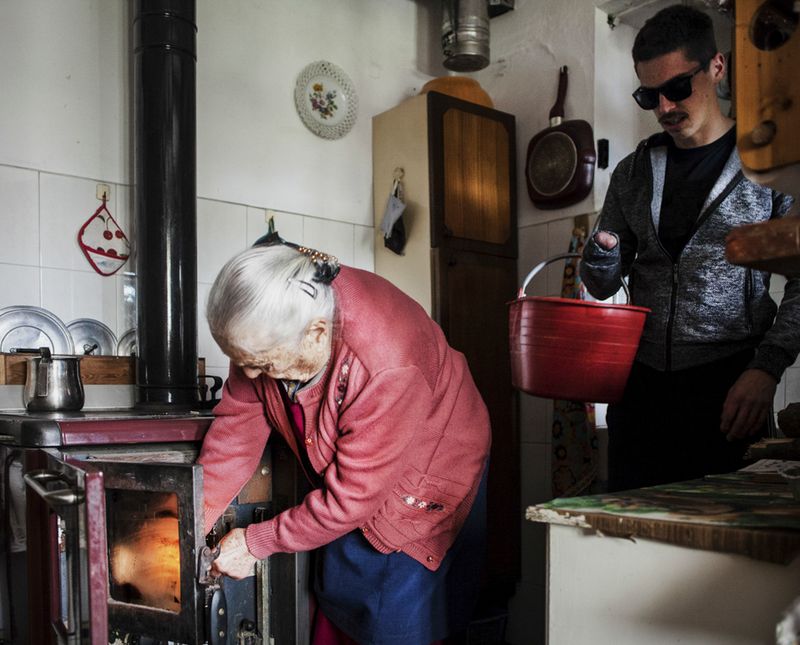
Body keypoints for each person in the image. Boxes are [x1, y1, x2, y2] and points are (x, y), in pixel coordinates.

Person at [197, 235, 491, 645]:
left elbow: (351, 500)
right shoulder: (264, 324)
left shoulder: (386, 359)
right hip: (357, 477)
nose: (249, 376)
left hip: (428, 467)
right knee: (338, 594)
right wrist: (198, 520)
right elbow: (236, 429)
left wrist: (255, 542)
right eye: (243, 362)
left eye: (261, 364)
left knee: (395, 616)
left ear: (316, 333)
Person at [580, 4, 799, 492]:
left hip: (728, 388)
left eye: (678, 88)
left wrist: (766, 368)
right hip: (640, 386)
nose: (664, 108)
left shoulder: (769, 164)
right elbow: (600, 281)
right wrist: (601, 255)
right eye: (648, 95)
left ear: (716, 67)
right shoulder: (632, 173)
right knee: (629, 533)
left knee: (722, 546)